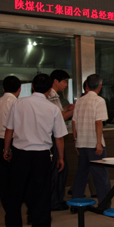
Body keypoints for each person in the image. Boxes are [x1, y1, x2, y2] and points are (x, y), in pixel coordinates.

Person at [3, 73, 68, 227]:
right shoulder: (53, 108)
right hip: (41, 155)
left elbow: (9, 129)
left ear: (32, 86)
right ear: (49, 89)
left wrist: (6, 149)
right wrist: (61, 157)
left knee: (15, 192)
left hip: (20, 154)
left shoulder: (18, 103)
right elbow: (59, 137)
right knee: (41, 193)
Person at [71, 74, 111, 200]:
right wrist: (98, 143)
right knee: (101, 176)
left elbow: (74, 122)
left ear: (87, 85)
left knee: (81, 175)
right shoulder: (99, 101)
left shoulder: (79, 101)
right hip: (94, 145)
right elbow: (98, 122)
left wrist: (75, 141)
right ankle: (104, 204)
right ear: (100, 86)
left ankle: (76, 203)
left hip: (81, 144)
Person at [0, 76, 21, 206]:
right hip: (12, 142)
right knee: (15, 175)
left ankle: (6, 202)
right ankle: (15, 202)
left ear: (3, 89)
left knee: (3, 175)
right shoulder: (16, 103)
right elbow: (18, 125)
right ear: (19, 89)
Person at [47, 69, 75, 211]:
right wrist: (75, 110)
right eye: (64, 81)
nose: (66, 85)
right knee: (59, 168)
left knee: (60, 170)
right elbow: (59, 117)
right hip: (53, 137)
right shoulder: (51, 95)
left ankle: (57, 199)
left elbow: (59, 113)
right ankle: (55, 201)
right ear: (55, 81)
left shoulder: (55, 96)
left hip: (53, 137)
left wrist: (66, 109)